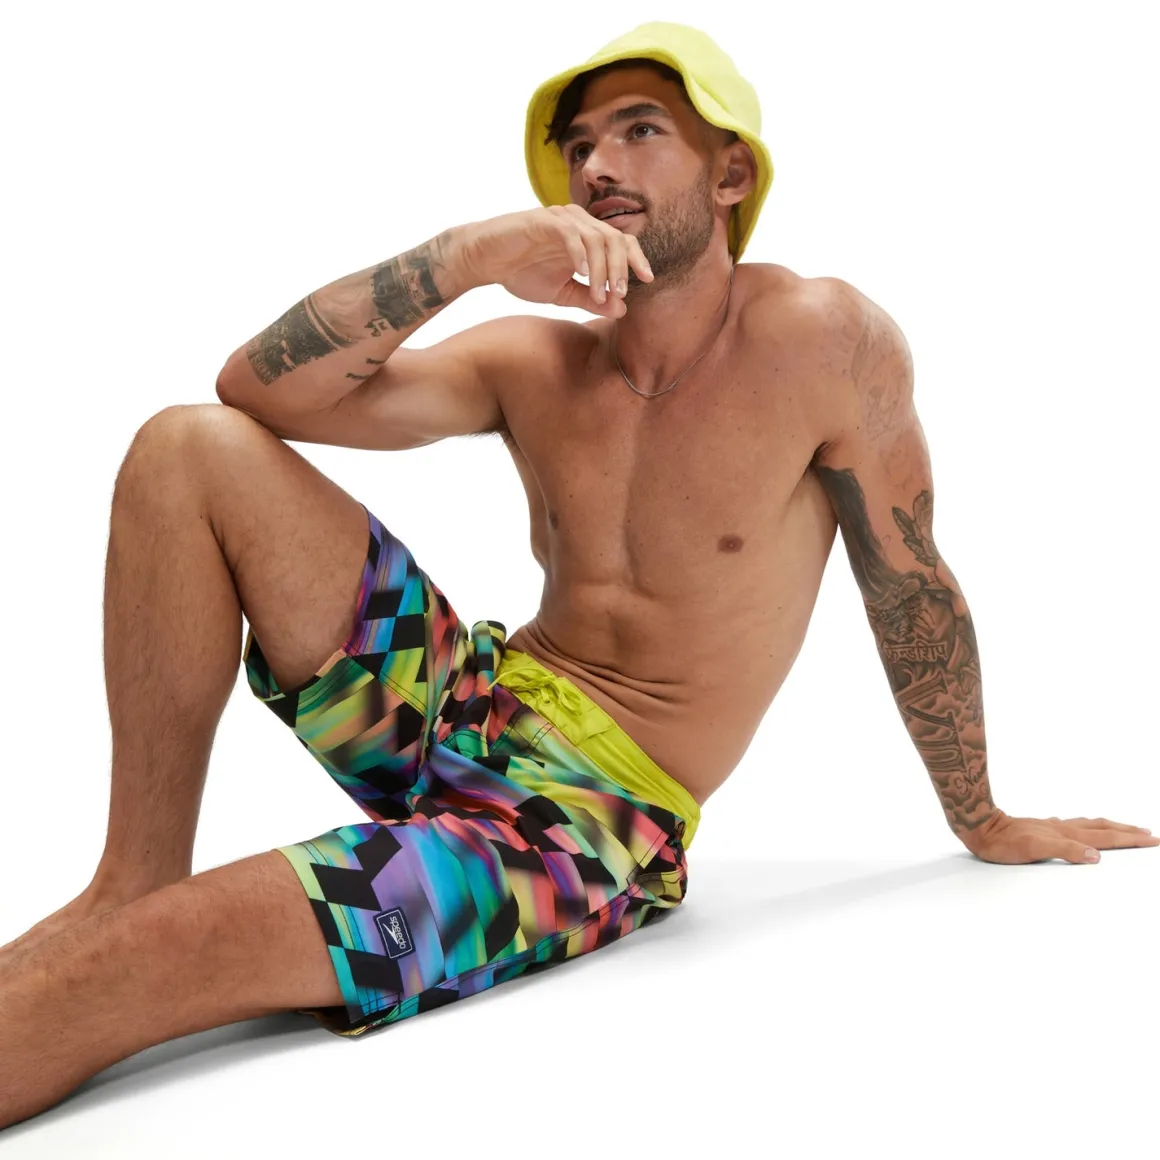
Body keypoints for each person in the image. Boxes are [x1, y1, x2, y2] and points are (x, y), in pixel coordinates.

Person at [1, 20, 1154, 1128]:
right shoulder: (536, 359)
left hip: (585, 822)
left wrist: (979, 813)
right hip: (466, 702)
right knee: (186, 446)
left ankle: (136, 927)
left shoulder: (819, 338)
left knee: (175, 951)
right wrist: (469, 256)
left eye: (640, 130)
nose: (597, 164)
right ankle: (132, 870)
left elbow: (907, 582)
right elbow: (258, 391)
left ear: (730, 173)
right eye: (579, 145)